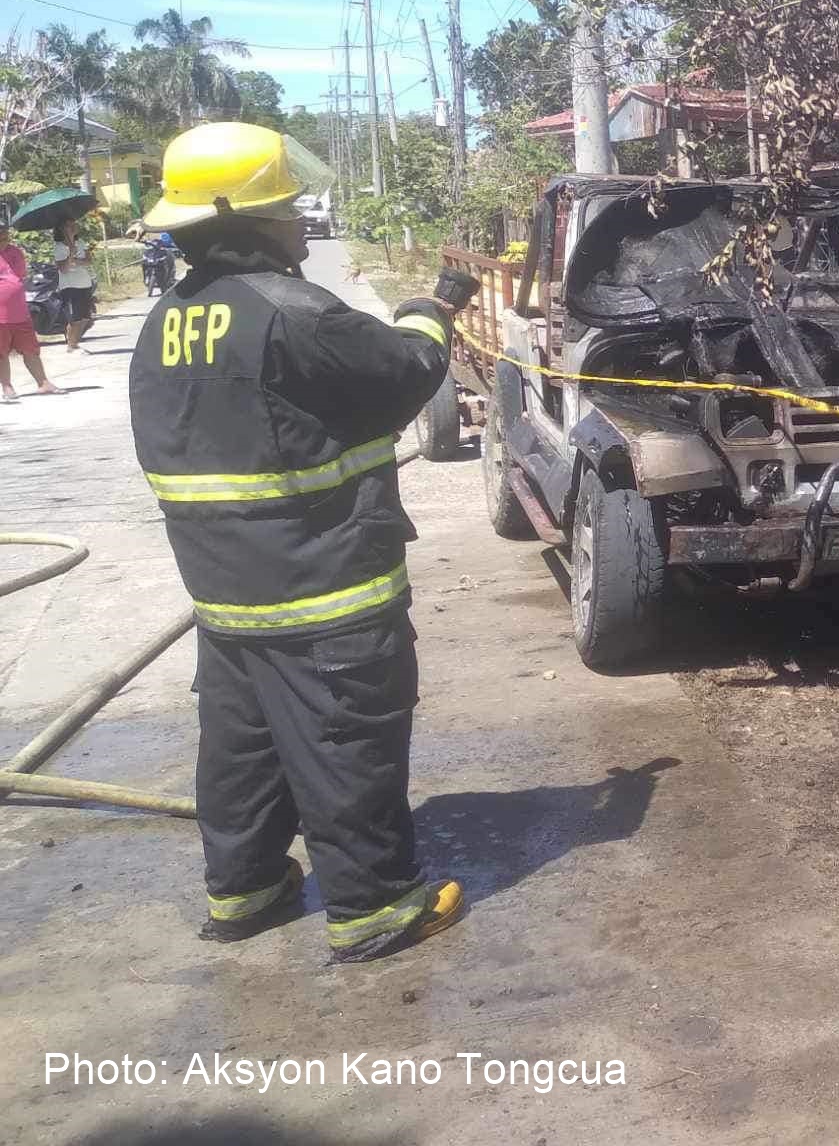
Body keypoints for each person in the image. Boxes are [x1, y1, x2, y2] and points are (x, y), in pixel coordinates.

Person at [129, 122, 481, 963]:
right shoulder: (295, 312)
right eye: (287, 207)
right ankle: (376, 907)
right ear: (249, 221)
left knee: (243, 746)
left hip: (227, 594)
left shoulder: (169, 320)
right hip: (322, 588)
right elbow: (403, 373)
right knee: (344, 740)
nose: (299, 222)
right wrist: (429, 313)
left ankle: (244, 888)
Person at [0, 218, 60, 401]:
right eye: (0, 233)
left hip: (20, 313)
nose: (4, 236)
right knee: (1, 353)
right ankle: (7, 386)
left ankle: (43, 383)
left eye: (5, 233)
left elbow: (19, 276)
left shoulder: (15, 252)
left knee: (31, 350)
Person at [50, 216, 97, 350]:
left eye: (74, 224)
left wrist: (75, 261)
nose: (73, 227)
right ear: (61, 229)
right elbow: (63, 269)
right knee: (75, 318)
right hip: (69, 286)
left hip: (85, 283)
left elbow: (89, 260)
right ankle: (71, 344)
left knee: (85, 318)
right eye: (68, 225)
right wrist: (71, 254)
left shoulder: (80, 242)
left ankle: (75, 341)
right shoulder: (59, 247)